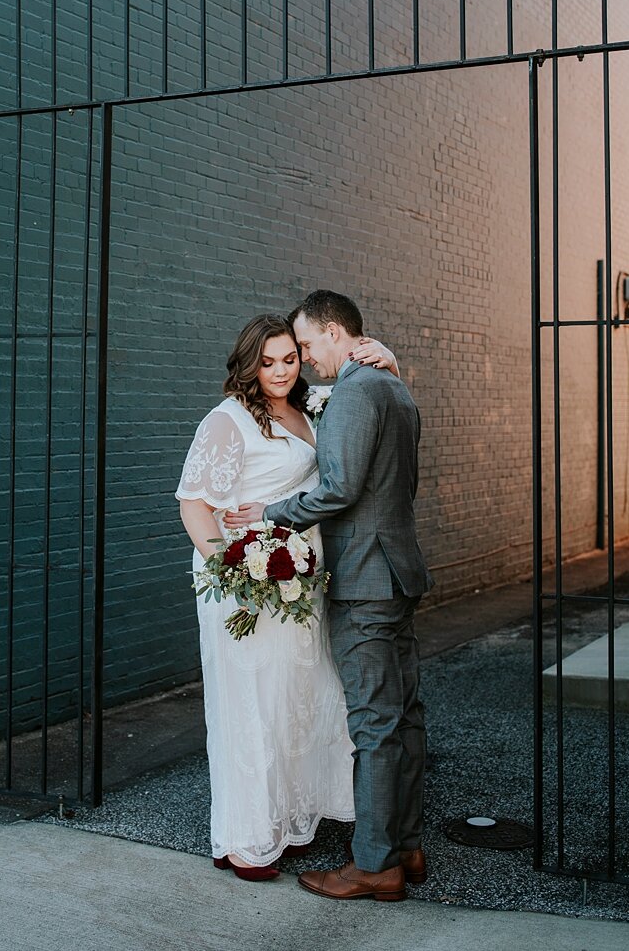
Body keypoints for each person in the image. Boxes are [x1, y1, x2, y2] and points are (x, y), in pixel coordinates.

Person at [223, 290, 433, 903]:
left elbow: (337, 490)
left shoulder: (351, 394)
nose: (307, 360)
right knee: (403, 714)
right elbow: (404, 484)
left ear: (337, 334)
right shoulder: (396, 388)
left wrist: (270, 513)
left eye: (309, 345)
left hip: (365, 579)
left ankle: (373, 864)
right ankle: (406, 845)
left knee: (372, 722)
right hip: (398, 573)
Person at [176, 313, 399, 881]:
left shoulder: (313, 408)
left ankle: (291, 824)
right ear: (249, 363)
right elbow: (194, 506)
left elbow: (368, 394)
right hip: (246, 592)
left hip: (298, 590)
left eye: (289, 358)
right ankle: (247, 839)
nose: (279, 370)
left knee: (296, 706)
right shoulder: (226, 422)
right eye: (267, 361)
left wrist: (390, 361)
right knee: (250, 709)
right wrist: (233, 573)